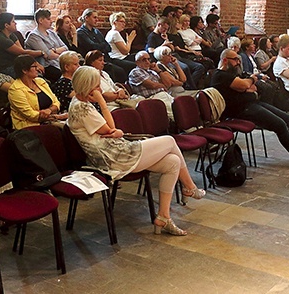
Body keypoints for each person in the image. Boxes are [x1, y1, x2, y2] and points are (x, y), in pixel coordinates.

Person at [67, 66, 206, 236]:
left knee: (172, 162)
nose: (100, 90)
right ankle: (190, 187)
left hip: (114, 149)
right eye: (96, 87)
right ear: (86, 87)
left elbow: (112, 132)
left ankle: (163, 217)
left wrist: (115, 132)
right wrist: (103, 103)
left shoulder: (80, 103)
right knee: (169, 141)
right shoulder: (83, 108)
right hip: (113, 157)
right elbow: (111, 128)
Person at [211, 49, 289, 166]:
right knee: (279, 124)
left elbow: (253, 88)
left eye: (239, 60)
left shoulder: (232, 75)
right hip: (240, 110)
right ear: (225, 60)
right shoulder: (220, 75)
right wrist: (249, 82)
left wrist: (248, 85)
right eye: (235, 60)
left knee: (287, 118)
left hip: (252, 104)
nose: (238, 62)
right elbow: (244, 85)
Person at [8, 55, 65, 130]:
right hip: (30, 128)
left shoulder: (41, 81)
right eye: (34, 66)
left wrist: (49, 110)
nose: (38, 69)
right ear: (24, 70)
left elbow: (56, 101)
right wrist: (52, 116)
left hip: (51, 120)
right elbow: (30, 115)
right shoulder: (15, 90)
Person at [76, 8, 128, 83]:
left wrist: (100, 46)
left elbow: (108, 47)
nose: (97, 19)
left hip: (107, 58)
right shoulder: (80, 32)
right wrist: (101, 45)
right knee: (120, 72)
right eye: (94, 17)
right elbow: (92, 47)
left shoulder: (96, 31)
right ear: (86, 18)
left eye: (97, 17)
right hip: (94, 61)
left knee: (129, 65)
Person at [0, 12, 43, 77]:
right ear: (6, 25)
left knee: (37, 73)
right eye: (13, 21)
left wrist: (36, 64)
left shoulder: (12, 35)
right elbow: (22, 53)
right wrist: (42, 53)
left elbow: (22, 52)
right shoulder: (2, 39)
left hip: (14, 65)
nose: (15, 23)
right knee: (34, 75)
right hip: (4, 68)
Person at [25, 9, 68, 83]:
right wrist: (59, 53)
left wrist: (55, 50)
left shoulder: (52, 33)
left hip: (59, 62)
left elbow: (65, 47)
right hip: (46, 67)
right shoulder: (34, 36)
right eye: (48, 19)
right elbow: (48, 55)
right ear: (40, 20)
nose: (51, 21)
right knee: (68, 76)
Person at [128, 51, 175, 118]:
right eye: (144, 60)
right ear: (137, 62)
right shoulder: (135, 72)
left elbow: (168, 84)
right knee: (176, 114)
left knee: (180, 108)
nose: (147, 62)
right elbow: (152, 85)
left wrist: (158, 70)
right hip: (152, 98)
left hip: (164, 95)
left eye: (148, 59)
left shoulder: (152, 71)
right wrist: (162, 85)